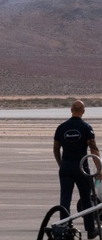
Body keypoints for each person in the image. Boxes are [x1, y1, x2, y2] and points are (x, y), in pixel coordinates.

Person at [54, 99, 100, 238]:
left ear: (71, 110)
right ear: (84, 111)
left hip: (66, 167)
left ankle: (64, 229)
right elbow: (93, 149)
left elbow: (56, 149)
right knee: (86, 199)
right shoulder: (86, 127)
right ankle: (91, 230)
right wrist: (99, 169)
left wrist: (61, 164)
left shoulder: (62, 127)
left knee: (65, 199)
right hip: (81, 167)